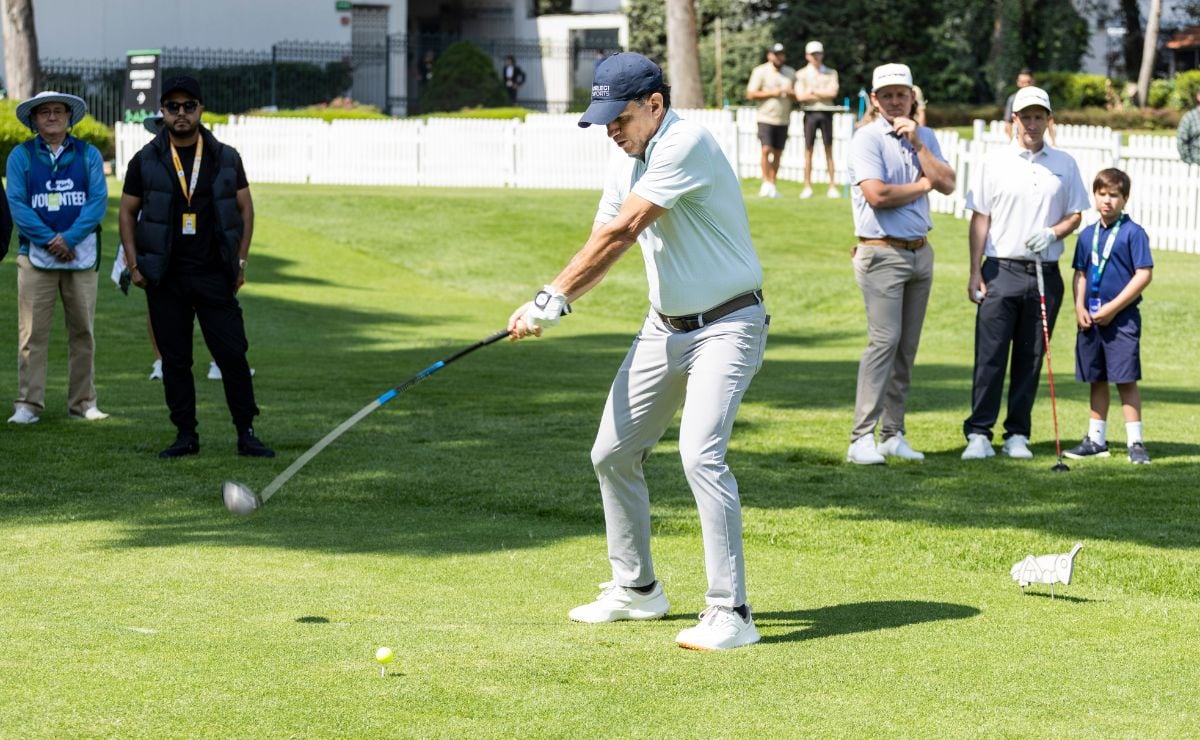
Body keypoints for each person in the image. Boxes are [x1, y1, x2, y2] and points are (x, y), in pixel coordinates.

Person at [508, 52, 768, 651]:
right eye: (603, 120)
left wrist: (551, 297)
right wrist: (559, 300)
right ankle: (639, 589)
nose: (611, 130)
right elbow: (606, 237)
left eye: (620, 117)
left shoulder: (686, 143)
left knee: (701, 455)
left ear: (655, 104)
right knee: (612, 452)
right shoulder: (627, 158)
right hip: (664, 327)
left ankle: (732, 611)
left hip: (729, 323)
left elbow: (625, 230)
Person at [118, 76, 274, 459]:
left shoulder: (225, 157)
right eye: (173, 107)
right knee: (175, 360)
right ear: (163, 112)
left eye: (189, 106)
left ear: (201, 109)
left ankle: (246, 432)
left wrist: (240, 259)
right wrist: (135, 264)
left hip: (214, 274)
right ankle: (185, 434)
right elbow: (126, 211)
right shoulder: (145, 159)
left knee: (232, 354)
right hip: (165, 276)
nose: (181, 113)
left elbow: (245, 209)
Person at [962, 86, 1089, 460]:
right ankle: (979, 433)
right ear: (1013, 121)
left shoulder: (1064, 164)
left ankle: (1017, 433)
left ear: (1049, 121)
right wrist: (974, 272)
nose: (1032, 124)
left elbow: (1076, 214)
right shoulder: (993, 162)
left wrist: (1053, 232)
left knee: (1031, 358)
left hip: (1045, 273)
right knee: (990, 356)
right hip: (1000, 269)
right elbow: (980, 217)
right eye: (1026, 117)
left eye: (1039, 117)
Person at [845, 64, 956, 465]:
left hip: (919, 252)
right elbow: (877, 194)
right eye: (887, 94)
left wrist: (921, 148)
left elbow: (948, 182)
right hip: (881, 252)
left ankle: (893, 433)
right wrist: (923, 185)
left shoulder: (923, 136)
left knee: (906, 348)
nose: (895, 100)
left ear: (913, 96)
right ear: (875, 99)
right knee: (883, 342)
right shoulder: (866, 139)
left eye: (901, 93)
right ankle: (861, 438)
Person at [6, 91, 108, 425]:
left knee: (83, 332)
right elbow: (17, 204)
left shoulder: (88, 154)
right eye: (44, 112)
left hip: (80, 255)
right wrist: (51, 239)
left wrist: (70, 238)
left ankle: (83, 402)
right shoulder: (21, 155)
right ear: (34, 120)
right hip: (35, 256)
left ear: (69, 117)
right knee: (31, 335)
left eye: (58, 111)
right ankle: (28, 404)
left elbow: (97, 202)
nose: (52, 117)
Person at [1064, 168, 1153, 464]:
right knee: (1096, 378)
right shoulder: (1088, 235)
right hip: (1090, 320)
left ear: (1125, 199)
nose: (1107, 201)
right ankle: (1095, 440)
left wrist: (1112, 309)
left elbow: (1144, 274)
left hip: (1121, 320)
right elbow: (1080, 273)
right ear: (1095, 196)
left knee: (1125, 379)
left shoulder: (1133, 234)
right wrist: (1079, 306)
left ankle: (1135, 442)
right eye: (1102, 194)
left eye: (1114, 195)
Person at [793, 40, 840, 199]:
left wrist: (813, 91)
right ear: (807, 56)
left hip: (826, 112)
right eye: (813, 54)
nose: (816, 57)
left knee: (829, 148)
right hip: (810, 113)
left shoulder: (831, 72)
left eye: (818, 54)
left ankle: (832, 185)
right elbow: (801, 96)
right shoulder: (801, 74)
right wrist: (821, 92)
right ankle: (807, 186)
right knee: (809, 149)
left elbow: (833, 93)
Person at [746, 43, 794, 198]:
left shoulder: (790, 73)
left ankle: (773, 183)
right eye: (776, 54)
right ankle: (765, 183)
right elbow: (751, 94)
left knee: (778, 152)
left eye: (781, 54)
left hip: (783, 118)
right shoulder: (760, 71)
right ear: (770, 56)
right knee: (766, 149)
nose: (779, 57)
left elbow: (797, 95)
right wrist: (773, 92)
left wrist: (790, 92)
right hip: (765, 117)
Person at [1178, 86, 1200, 165]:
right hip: (1196, 166)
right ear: (1198, 96)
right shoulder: (1189, 118)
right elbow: (1181, 141)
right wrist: (1189, 162)